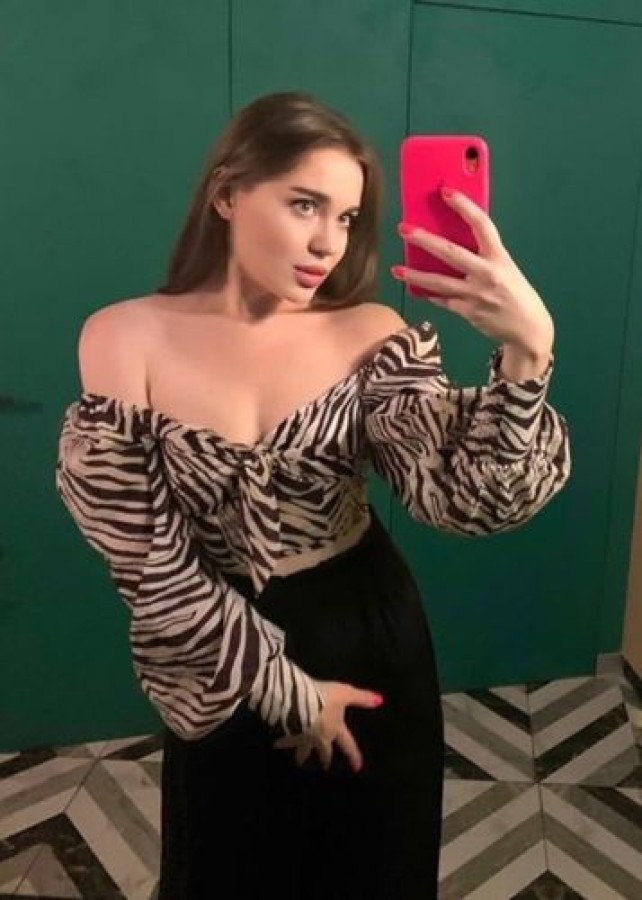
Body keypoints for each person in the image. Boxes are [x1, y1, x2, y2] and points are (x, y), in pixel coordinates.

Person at [55, 91, 571, 899]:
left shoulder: (371, 334)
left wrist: (528, 354)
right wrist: (288, 693)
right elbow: (150, 564)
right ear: (227, 193)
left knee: (374, 867)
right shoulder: (124, 336)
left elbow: (467, 500)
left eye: (347, 216)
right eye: (305, 205)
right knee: (230, 869)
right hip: (219, 657)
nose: (330, 242)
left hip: (370, 634)